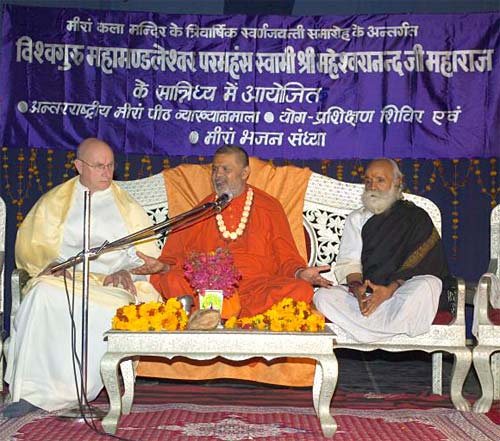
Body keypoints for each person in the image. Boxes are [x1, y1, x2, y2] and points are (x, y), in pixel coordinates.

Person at [3, 138, 165, 418]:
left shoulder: (128, 207)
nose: (107, 172)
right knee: (41, 295)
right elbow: (32, 248)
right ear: (79, 166)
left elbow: (148, 257)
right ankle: (30, 392)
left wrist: (126, 270)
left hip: (109, 285)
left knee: (109, 311)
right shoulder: (55, 202)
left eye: (111, 165)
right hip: (66, 280)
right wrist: (51, 263)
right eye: (99, 166)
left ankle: (76, 393)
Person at [151, 145, 331, 317]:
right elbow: (175, 257)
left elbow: (286, 256)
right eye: (215, 169)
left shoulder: (269, 207)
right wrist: (163, 266)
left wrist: (300, 273)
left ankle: (214, 317)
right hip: (209, 288)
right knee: (172, 279)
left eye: (225, 169)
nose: (217, 175)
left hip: (256, 289)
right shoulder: (202, 210)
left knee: (301, 289)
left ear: (245, 173)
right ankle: (220, 316)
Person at [313, 158, 450, 343]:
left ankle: (365, 332)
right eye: (368, 181)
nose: (373, 186)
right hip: (369, 297)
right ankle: (388, 328)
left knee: (428, 285)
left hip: (401, 293)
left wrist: (389, 290)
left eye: (380, 180)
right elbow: (349, 263)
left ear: (397, 182)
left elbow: (425, 263)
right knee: (323, 296)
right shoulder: (357, 219)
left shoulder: (416, 217)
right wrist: (357, 289)